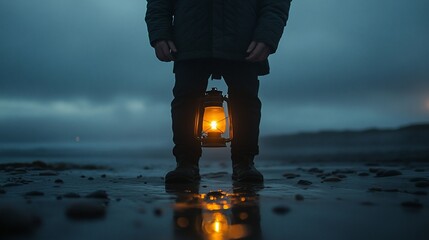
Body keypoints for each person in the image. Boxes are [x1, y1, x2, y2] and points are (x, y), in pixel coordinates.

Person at [146, 0, 292, 183]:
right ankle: (186, 163)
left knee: (245, 99)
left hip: (241, 39)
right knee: (186, 98)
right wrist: (159, 33)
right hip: (193, 37)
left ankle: (244, 162)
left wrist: (267, 35)